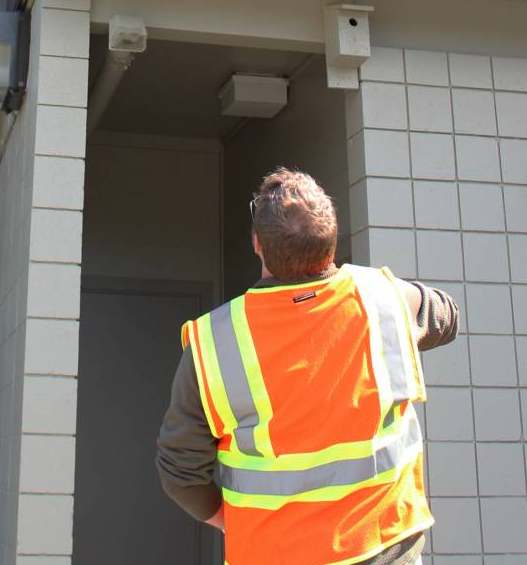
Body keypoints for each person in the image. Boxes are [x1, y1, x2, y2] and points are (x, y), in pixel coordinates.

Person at [157, 167, 459, 565]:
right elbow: (446, 314)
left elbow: (180, 474)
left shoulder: (214, 342)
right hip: (387, 547)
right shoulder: (385, 300)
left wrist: (234, 520)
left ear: (257, 245)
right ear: (331, 244)